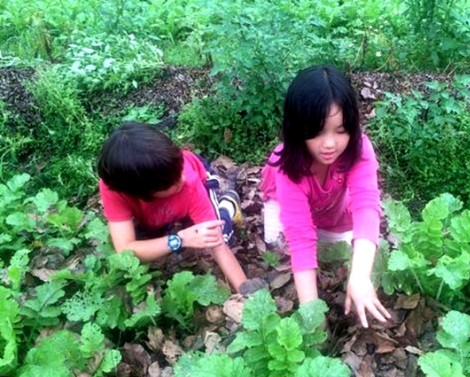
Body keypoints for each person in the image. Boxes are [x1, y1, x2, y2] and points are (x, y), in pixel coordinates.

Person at [260, 65, 391, 328]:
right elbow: (300, 238)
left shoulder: (359, 148)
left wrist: (360, 275)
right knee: (276, 246)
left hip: (332, 203)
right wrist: (313, 316)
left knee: (342, 254)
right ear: (297, 129)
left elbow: (366, 204)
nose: (330, 144)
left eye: (340, 130)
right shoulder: (286, 164)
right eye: (317, 131)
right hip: (287, 198)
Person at [97, 122, 247, 291]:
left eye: (179, 170)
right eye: (172, 183)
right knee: (149, 238)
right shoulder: (115, 187)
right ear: (144, 193)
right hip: (157, 205)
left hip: (198, 182)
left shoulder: (188, 181)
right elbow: (125, 250)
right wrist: (180, 239)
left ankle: (227, 206)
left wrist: (248, 295)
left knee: (220, 234)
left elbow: (218, 247)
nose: (181, 179)